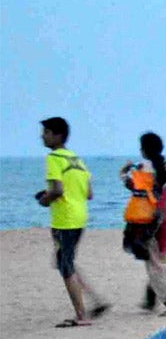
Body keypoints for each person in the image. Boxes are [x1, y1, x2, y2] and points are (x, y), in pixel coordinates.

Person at [36, 116, 110, 327]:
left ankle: (81, 315)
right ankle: (96, 301)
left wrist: (44, 199)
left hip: (64, 220)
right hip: (79, 217)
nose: (42, 136)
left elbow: (57, 190)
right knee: (63, 261)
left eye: (46, 132)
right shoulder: (77, 160)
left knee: (65, 265)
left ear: (57, 135)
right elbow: (88, 193)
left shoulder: (54, 158)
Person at [122, 131, 166, 314]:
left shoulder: (143, 169)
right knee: (158, 262)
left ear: (144, 150)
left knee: (156, 265)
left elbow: (131, 186)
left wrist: (123, 172)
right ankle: (159, 300)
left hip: (150, 221)